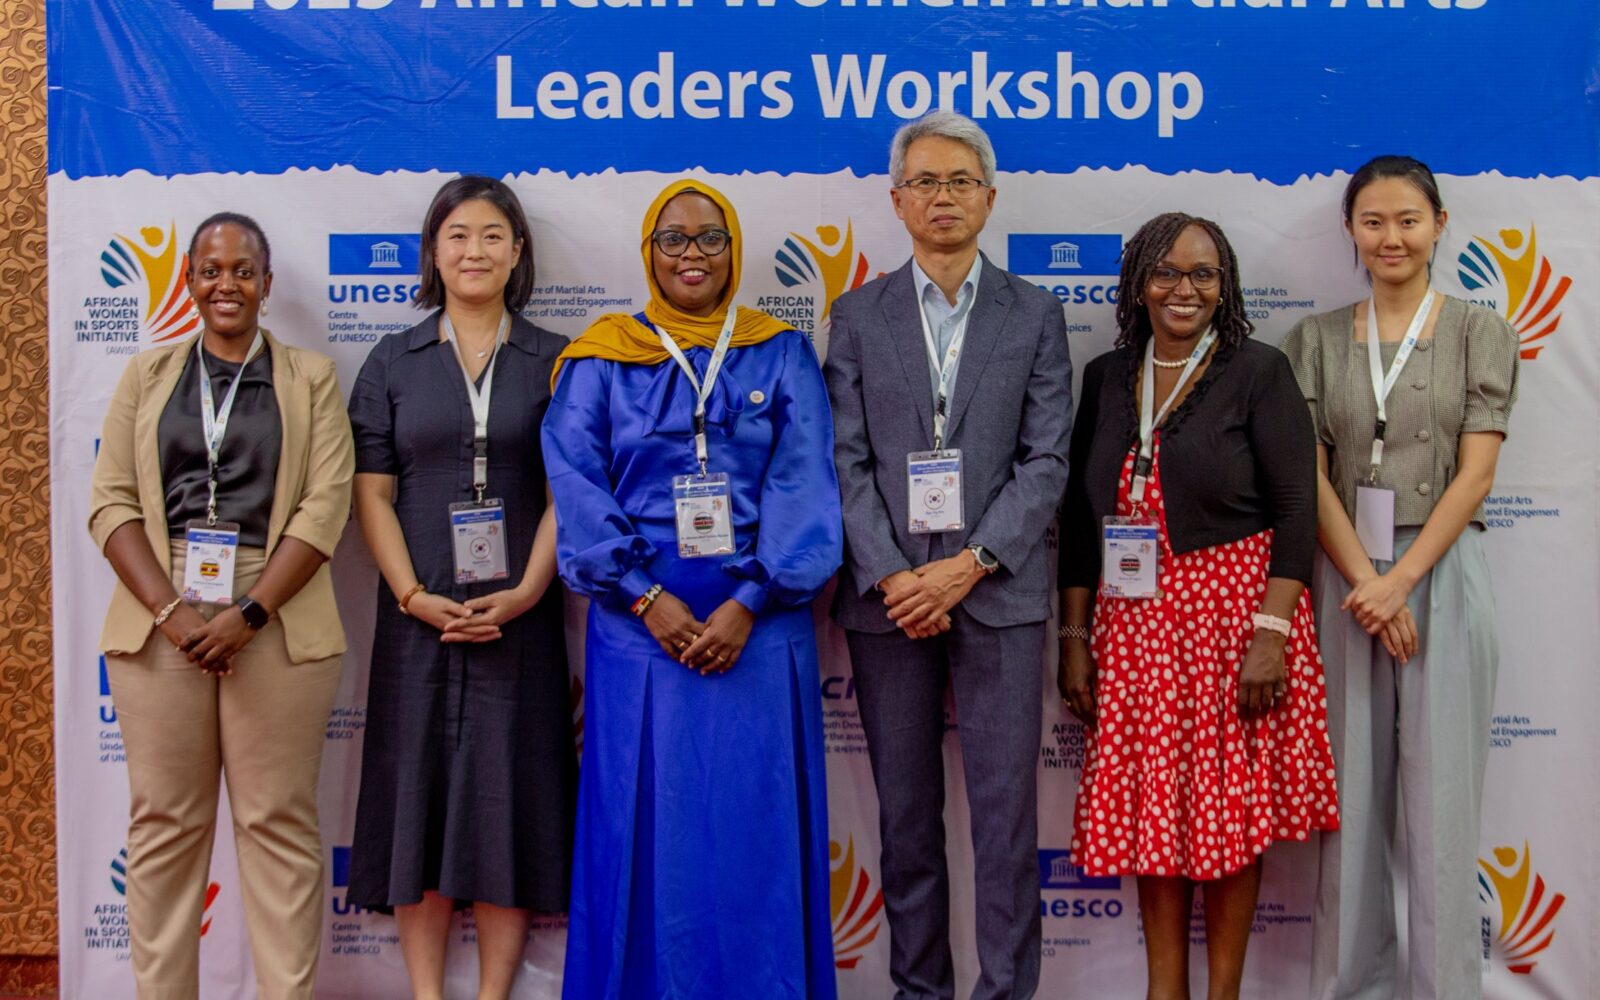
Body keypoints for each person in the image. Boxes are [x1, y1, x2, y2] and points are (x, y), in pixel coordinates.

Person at [544, 178, 842, 999]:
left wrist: (749, 600)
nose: (692, 255)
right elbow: (576, 484)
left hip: (761, 626)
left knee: (755, 834)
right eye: (673, 240)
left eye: (710, 239)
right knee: (647, 830)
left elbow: (804, 482)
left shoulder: (778, 351)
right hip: (637, 631)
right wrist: (645, 595)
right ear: (648, 252)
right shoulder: (601, 354)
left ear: (734, 250)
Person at [1057, 212, 1339, 1000]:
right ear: (1138, 282)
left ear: (1226, 286)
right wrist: (1074, 636)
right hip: (1135, 625)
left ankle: (1223, 995)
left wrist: (1271, 633)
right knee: (1154, 809)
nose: (1185, 289)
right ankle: (1163, 992)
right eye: (1168, 272)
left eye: (1204, 274)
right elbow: (1080, 519)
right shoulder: (1106, 378)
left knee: (1227, 812)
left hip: (1233, 618)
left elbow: (1295, 508)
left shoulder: (1257, 370)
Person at [824, 111, 1072, 1000]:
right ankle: (919, 991)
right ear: (896, 201)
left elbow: (1047, 460)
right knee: (907, 822)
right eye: (925, 182)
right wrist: (896, 575)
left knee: (1006, 821)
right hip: (889, 605)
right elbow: (843, 460)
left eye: (960, 182)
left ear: (990, 198)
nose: (943, 197)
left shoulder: (1036, 313)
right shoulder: (854, 315)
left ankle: (1006, 992)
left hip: (997, 596)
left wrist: (969, 566)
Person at [89, 212, 354, 999]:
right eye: (210, 269)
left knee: (277, 825)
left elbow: (325, 506)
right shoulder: (146, 376)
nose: (226, 283)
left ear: (267, 284)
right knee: (164, 828)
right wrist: (172, 611)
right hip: (160, 612)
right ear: (191, 282)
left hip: (277, 609)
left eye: (243, 269)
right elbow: (108, 504)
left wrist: (250, 614)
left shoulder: (311, 377)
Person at [1281, 156, 1519, 1000]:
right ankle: (1352, 986)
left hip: (1443, 569)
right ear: (1350, 229)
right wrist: (1366, 585)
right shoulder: (1311, 339)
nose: (1391, 237)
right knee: (1351, 804)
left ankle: (1447, 988)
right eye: (1373, 221)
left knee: (1442, 800)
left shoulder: (1477, 329)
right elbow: (1307, 479)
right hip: (1343, 575)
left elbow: (1477, 476)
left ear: (1439, 223)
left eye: (1408, 220)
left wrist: (1402, 582)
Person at [345, 176, 577, 1000]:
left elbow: (567, 495)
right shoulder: (391, 360)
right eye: (457, 236)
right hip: (418, 618)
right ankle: (427, 993)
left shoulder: (558, 359)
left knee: (506, 802)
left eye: (491, 236)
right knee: (421, 800)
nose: (473, 251)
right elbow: (370, 491)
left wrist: (524, 592)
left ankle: (493, 993)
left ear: (517, 253)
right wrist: (409, 594)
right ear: (432, 252)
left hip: (523, 615)